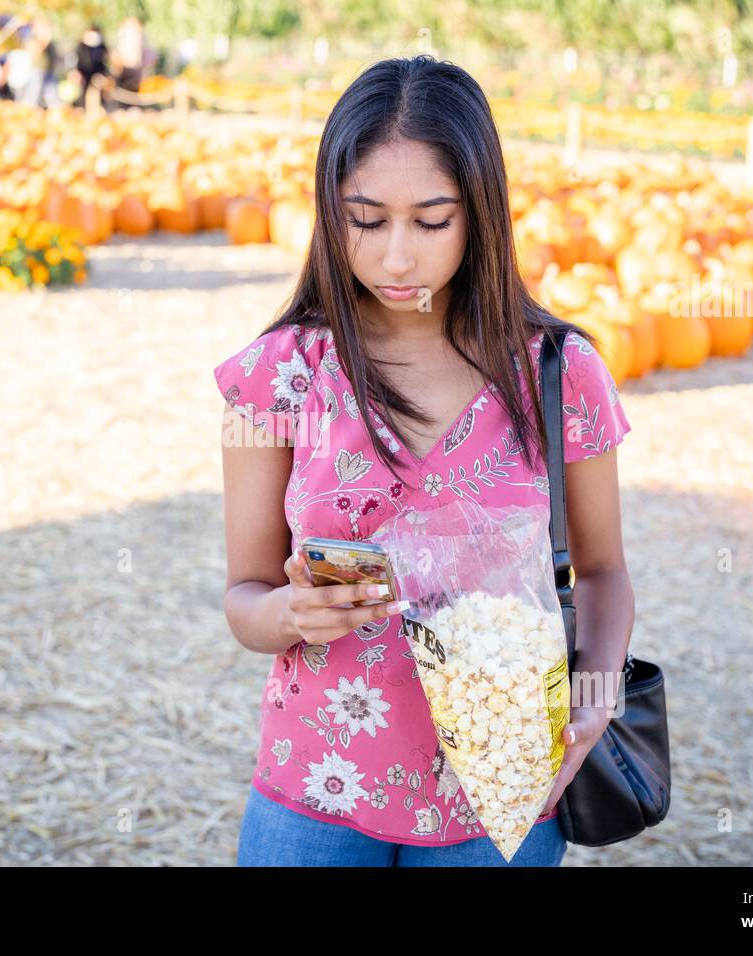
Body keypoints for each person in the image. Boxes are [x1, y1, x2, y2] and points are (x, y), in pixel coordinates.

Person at [213, 56, 635, 867]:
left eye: (431, 221)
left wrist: (595, 694)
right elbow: (244, 596)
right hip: (319, 791)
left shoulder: (557, 371)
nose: (396, 258)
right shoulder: (280, 374)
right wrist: (288, 616)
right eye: (365, 220)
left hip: (502, 789)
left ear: (480, 213)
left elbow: (605, 571)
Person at [72, 23, 108, 109]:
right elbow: (76, 59)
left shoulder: (101, 45)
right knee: (83, 91)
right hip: (84, 72)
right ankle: (81, 107)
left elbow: (105, 58)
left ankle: (102, 106)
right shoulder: (81, 46)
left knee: (99, 91)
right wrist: (76, 72)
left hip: (98, 71)